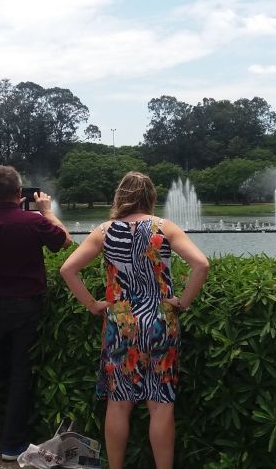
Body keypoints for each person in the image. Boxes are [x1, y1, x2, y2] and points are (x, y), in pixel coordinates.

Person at [59, 171, 209, 469]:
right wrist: (183, 302)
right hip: (160, 320)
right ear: (151, 197)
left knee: (119, 403)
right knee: (161, 402)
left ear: (120, 197)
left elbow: (67, 269)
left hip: (121, 322)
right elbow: (201, 264)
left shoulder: (104, 230)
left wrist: (92, 304)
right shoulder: (165, 227)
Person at [0, 165, 72, 461]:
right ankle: (12, 446)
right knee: (20, 373)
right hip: (26, 306)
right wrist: (46, 211)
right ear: (19, 193)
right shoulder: (32, 222)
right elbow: (65, 241)